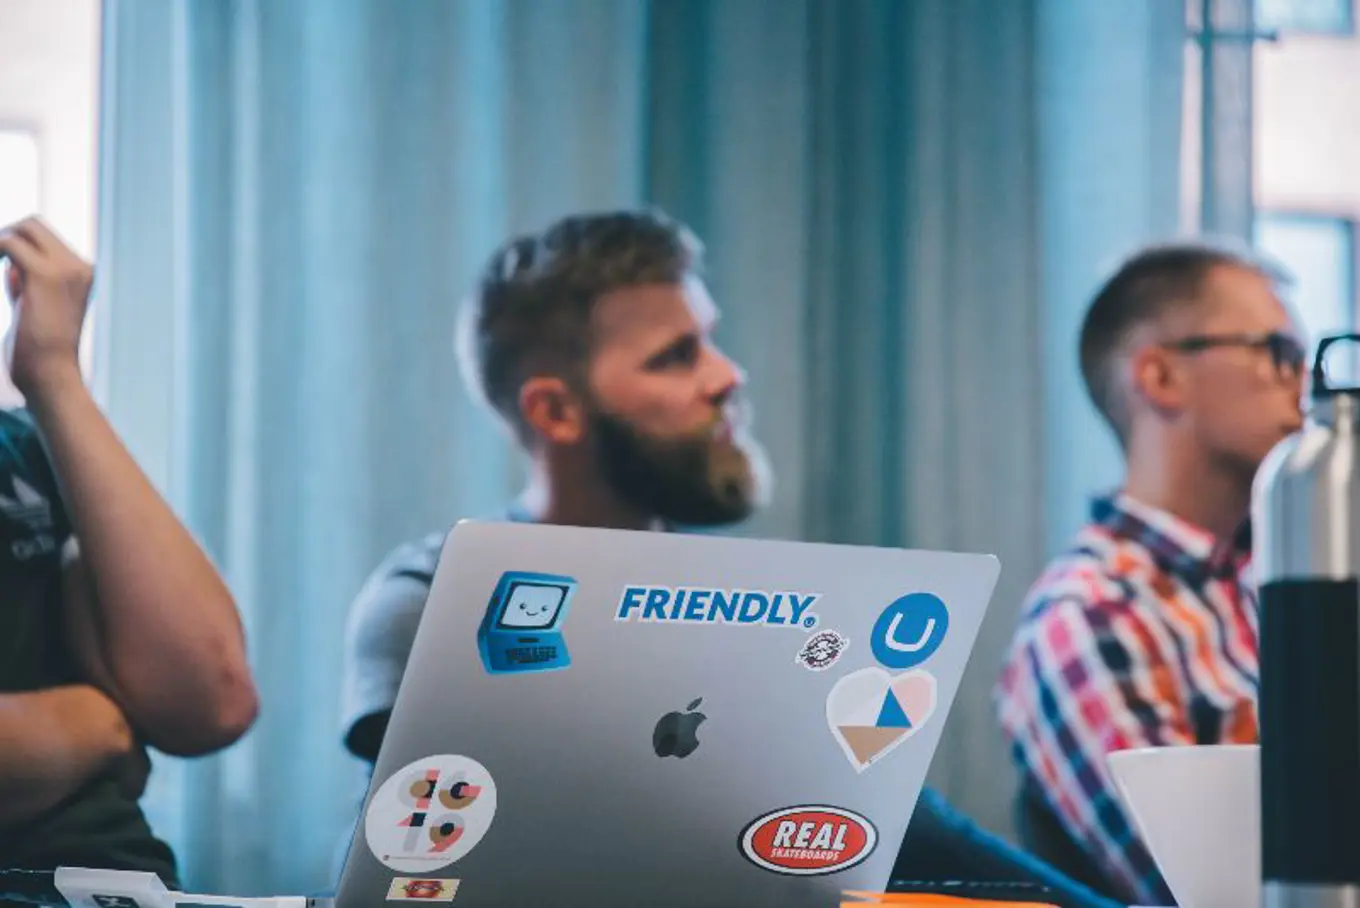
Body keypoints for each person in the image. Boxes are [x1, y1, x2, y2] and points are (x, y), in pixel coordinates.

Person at [340, 208, 1122, 908]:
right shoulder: (429, 600)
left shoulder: (755, 607)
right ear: (555, 409)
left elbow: (906, 831)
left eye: (709, 340)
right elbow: (417, 856)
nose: (727, 376)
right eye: (676, 356)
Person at [994, 241, 1305, 906]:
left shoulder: (1284, 585)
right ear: (1161, 377)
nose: (1303, 384)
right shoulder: (1089, 614)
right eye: (1278, 352)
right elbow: (1201, 894)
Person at [0, 217, 259, 883]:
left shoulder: (28, 446)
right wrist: (102, 727)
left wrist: (55, 375)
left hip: (110, 887)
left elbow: (209, 700)